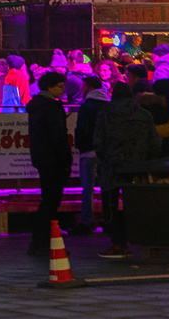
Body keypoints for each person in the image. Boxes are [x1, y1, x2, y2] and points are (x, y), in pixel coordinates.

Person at [93, 76, 159, 259]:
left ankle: (117, 243)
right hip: (137, 166)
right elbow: (154, 142)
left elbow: (98, 141)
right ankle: (135, 241)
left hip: (112, 165)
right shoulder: (144, 115)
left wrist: (104, 158)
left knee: (111, 205)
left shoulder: (105, 114)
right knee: (134, 204)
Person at [26, 71, 72, 257]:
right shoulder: (52, 108)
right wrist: (66, 160)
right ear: (50, 87)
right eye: (60, 86)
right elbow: (58, 137)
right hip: (54, 159)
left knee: (48, 200)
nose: (62, 90)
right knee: (51, 202)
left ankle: (40, 241)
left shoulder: (37, 106)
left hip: (42, 157)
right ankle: (44, 242)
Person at [71, 71, 109, 235]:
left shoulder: (87, 106)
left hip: (89, 152)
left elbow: (82, 129)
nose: (82, 89)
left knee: (88, 189)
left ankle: (86, 221)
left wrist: (81, 145)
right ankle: (109, 220)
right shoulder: (109, 105)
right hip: (106, 152)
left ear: (90, 87)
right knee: (107, 187)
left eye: (84, 86)